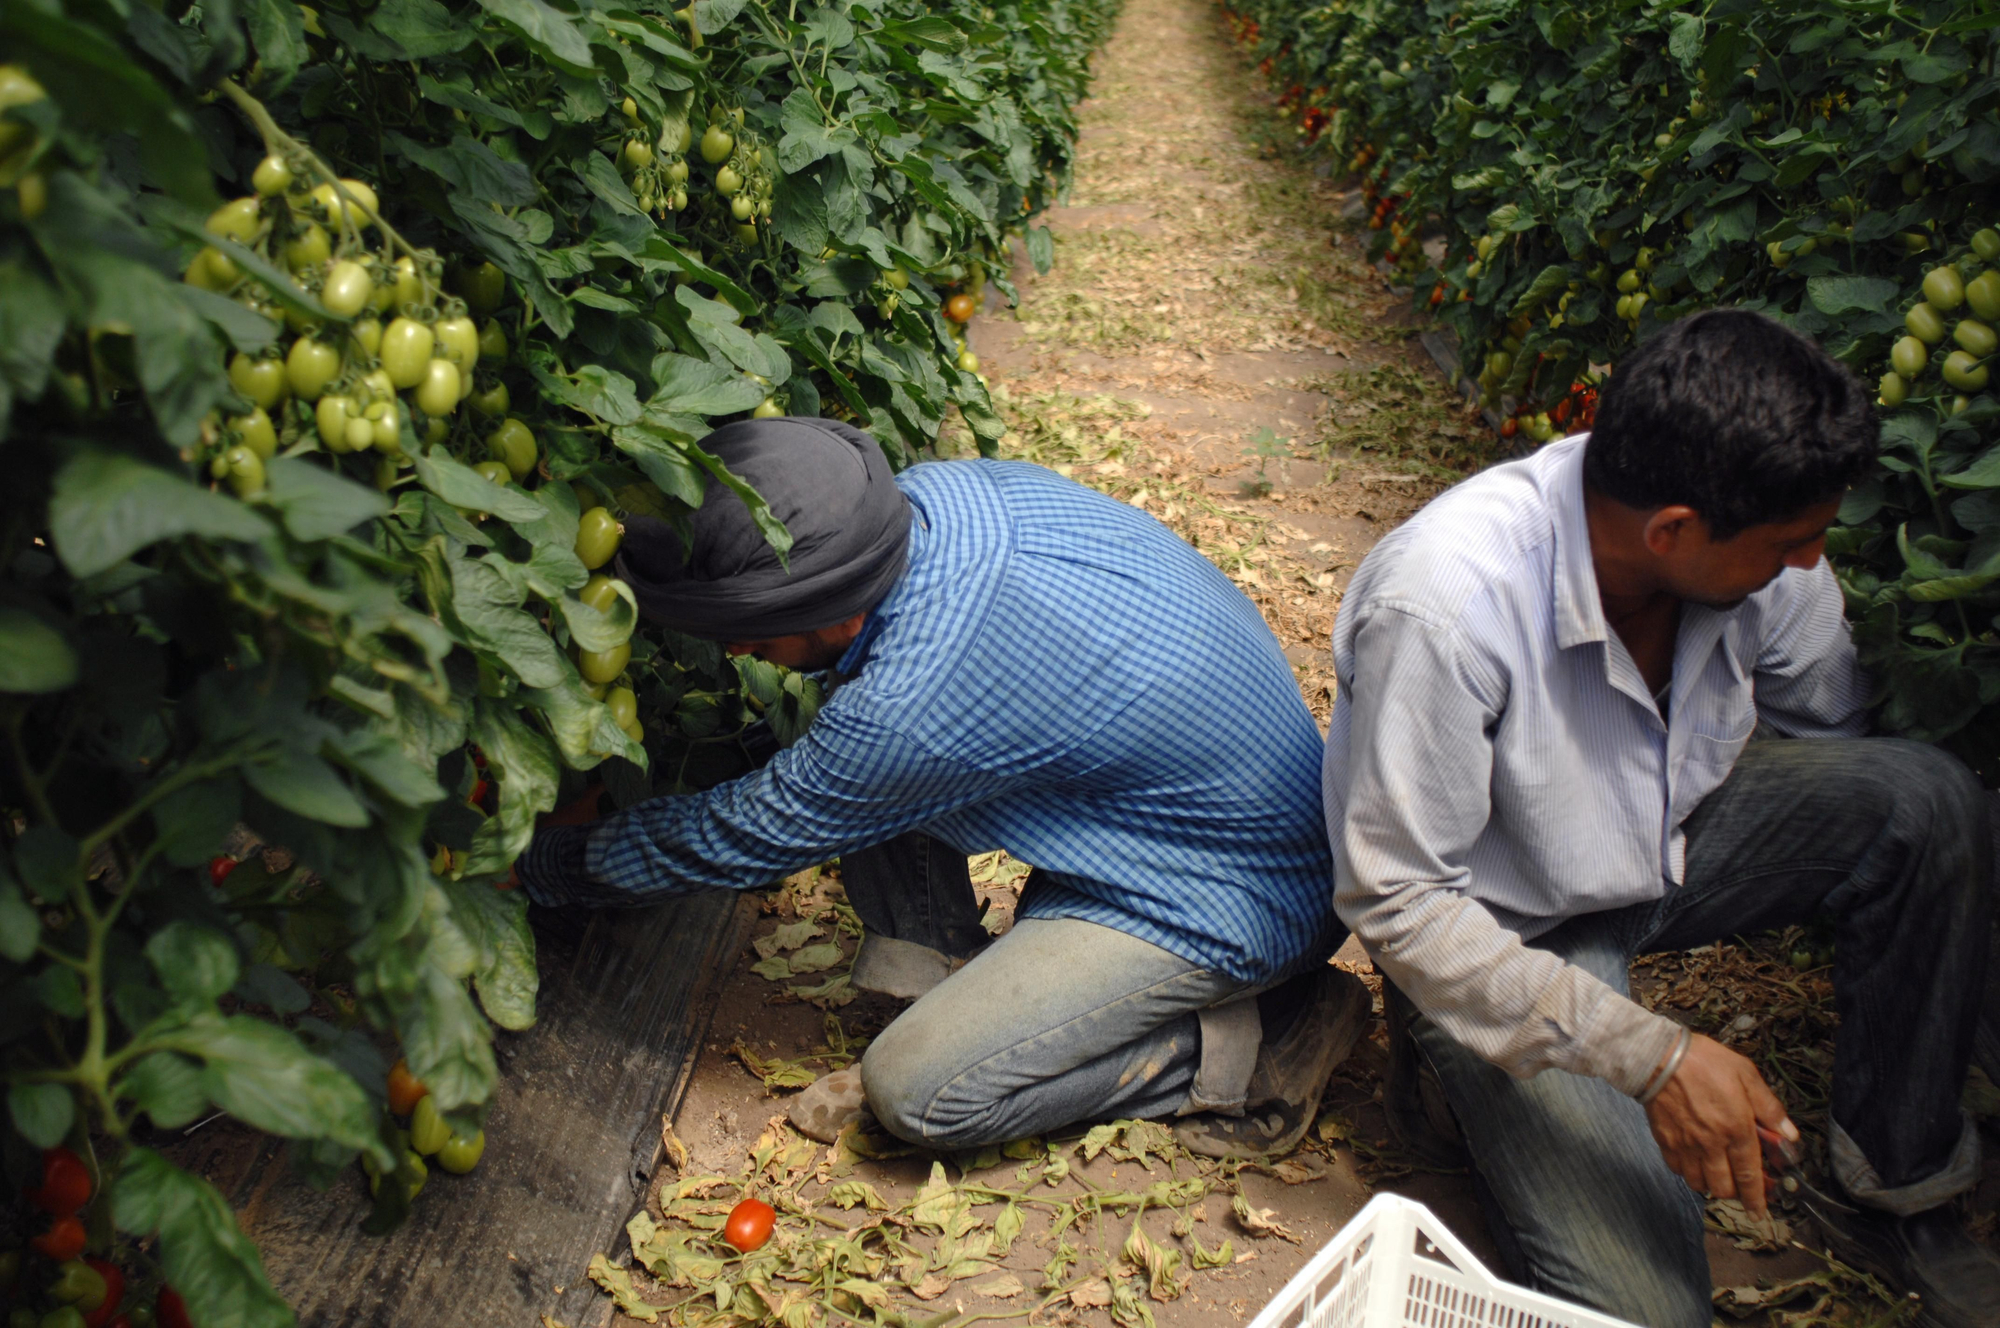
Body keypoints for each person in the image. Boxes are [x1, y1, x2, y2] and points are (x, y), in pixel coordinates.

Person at [1323, 309, 1998, 1327]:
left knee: (1923, 799)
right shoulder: (1446, 602)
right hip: (1496, 923)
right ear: (1673, 530)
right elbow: (1400, 901)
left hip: (1668, 846)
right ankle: (1454, 1069)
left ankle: (1892, 1186)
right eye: (1792, 543)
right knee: (1647, 1307)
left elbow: (1836, 743)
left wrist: (1918, 957)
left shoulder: (1757, 559)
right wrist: (1653, 1056)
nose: (1812, 564)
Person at [513, 415, 1366, 1157]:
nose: (737, 653)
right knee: (849, 757)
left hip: (1229, 895)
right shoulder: (933, 502)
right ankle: (944, 979)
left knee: (923, 1092)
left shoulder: (909, 703)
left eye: (751, 636)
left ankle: (1258, 1042)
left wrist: (547, 867)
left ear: (829, 609)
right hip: (1197, 812)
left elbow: (753, 829)